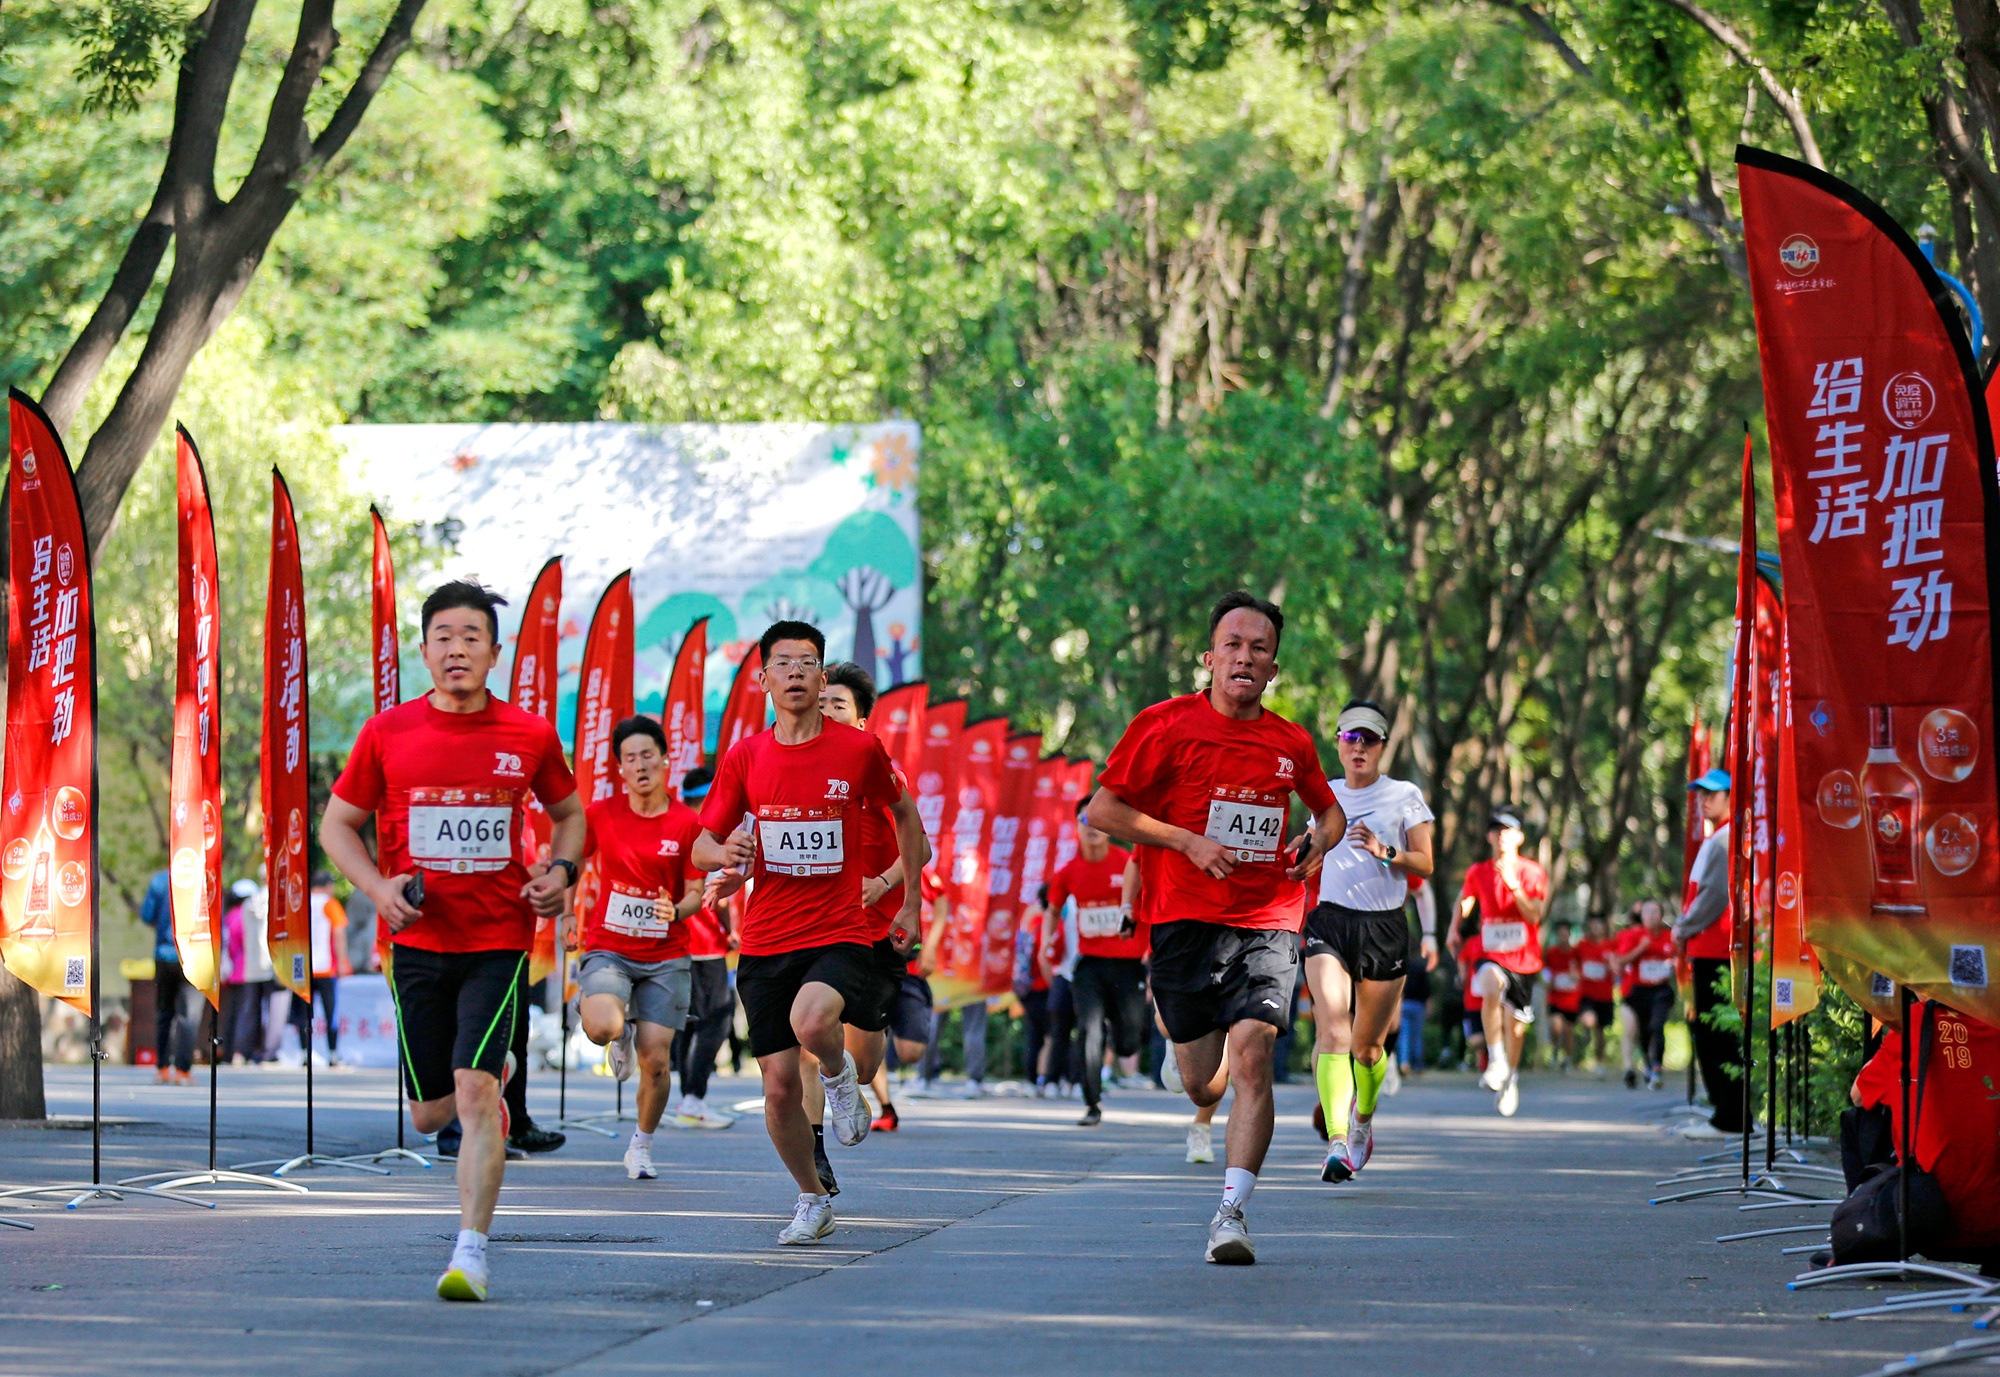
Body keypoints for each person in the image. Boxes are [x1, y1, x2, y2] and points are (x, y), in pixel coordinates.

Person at [320, 579, 583, 1303]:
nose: (457, 648)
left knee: (473, 1091)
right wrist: (376, 889)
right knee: (429, 1112)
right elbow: (336, 825)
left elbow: (569, 814)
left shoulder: (527, 735)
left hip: (500, 936)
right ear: (426, 648)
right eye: (444, 636)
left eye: (472, 636)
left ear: (494, 652)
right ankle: (485, 1087)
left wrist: (562, 870)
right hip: (418, 941)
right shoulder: (387, 733)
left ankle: (470, 1250)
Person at [1087, 590, 1344, 1265]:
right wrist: (1185, 841)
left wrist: (1317, 842)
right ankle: (1204, 1062)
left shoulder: (1290, 741)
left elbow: (1330, 811)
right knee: (1205, 1083)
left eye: (1259, 647)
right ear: (1210, 657)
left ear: (1273, 667)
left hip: (1269, 919)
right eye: (1233, 644)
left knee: (1255, 1055)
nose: (1245, 656)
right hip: (1183, 919)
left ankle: (1231, 1212)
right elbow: (1102, 810)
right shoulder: (1165, 725)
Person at [691, 622, 929, 1247]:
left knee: (815, 1020)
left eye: (807, 663)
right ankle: (811, 1196)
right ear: (762, 679)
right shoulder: (745, 757)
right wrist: (726, 852)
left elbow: (909, 820)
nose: (795, 672)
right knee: (774, 1089)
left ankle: (837, 1074)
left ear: (823, 678)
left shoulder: (858, 751)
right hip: (766, 937)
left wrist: (906, 902)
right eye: (782, 662)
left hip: (840, 929)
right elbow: (698, 846)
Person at [1303, 700, 1434, 1182]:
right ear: (1337, 741)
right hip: (1330, 923)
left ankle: (1362, 1121)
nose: (1359, 747)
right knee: (1333, 1030)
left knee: (1367, 1050)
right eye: (1350, 737)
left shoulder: (1403, 795)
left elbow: (1427, 863)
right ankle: (1337, 1142)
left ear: (1382, 746)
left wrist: (1388, 852)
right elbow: (1311, 852)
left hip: (1384, 926)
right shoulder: (1324, 795)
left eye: (1370, 739)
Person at [574, 715, 706, 1181]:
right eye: (629, 759)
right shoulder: (601, 814)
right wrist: (568, 915)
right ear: (620, 769)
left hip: (666, 955)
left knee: (655, 1061)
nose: (640, 765)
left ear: (665, 759)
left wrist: (679, 910)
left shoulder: (688, 822)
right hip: (609, 946)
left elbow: (695, 889)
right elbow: (572, 864)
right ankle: (618, 1029)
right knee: (602, 1028)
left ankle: (641, 1146)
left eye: (647, 754)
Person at [1449, 810, 1548, 1117]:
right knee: (1490, 982)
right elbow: (1466, 900)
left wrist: (1512, 884)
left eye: (1508, 829)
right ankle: (1496, 1058)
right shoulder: (1478, 872)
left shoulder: (1532, 872)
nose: (1501, 835)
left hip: (1524, 958)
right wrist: (1455, 927)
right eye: (1496, 830)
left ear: (1520, 837)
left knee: (1515, 1026)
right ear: (1489, 837)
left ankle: (1511, 1078)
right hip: (1490, 952)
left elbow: (1534, 915)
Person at [1050, 803, 1139, 1128]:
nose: (1092, 826)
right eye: (1085, 820)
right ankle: (1092, 1102)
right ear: (1076, 826)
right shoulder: (1068, 871)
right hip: (1089, 964)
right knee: (1088, 1029)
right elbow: (1052, 909)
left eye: (1098, 820)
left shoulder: (1128, 862)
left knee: (1129, 1040)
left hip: (1129, 963)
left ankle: (1122, 1041)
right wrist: (1048, 940)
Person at [1674, 768, 1745, 1138]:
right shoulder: (1716, 837)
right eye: (1700, 794)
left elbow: (1714, 897)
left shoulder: (1724, 839)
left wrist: (1681, 928)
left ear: (1731, 797)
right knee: (1711, 1032)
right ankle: (1726, 1111)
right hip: (1710, 948)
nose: (1704, 800)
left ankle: (1729, 1116)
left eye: (1712, 794)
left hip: (1716, 949)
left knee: (1716, 1035)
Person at [672, 766, 739, 1131]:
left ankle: (688, 1100)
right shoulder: (705, 835)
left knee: (692, 1022)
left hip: (682, 938)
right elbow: (719, 895)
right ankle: (693, 1099)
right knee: (718, 1017)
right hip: (703, 941)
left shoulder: (682, 827)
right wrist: (729, 931)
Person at [1611, 899, 1675, 1090]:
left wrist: (1673, 964)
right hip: (1637, 992)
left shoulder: (1669, 936)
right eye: (1647, 912)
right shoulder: (1631, 936)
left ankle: (1656, 1067)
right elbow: (1619, 963)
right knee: (1641, 1031)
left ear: (1661, 915)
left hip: (1661, 991)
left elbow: (1679, 958)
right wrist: (1641, 948)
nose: (1651, 916)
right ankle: (1643, 1063)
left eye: (1655, 912)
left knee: (1657, 1025)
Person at [291, 873, 351, 1065]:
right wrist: (342, 960)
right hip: (325, 968)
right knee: (330, 1012)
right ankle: (333, 1054)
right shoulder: (330, 904)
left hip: (302, 968)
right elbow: (339, 932)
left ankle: (303, 1054)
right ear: (327, 885)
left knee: (304, 1014)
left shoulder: (299, 903)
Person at [219, 879, 268, 1064]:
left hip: (231, 972)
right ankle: (241, 1052)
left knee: (232, 1014)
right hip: (244, 970)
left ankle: (229, 1051)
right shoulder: (244, 915)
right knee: (245, 1014)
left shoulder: (230, 915)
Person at [1573, 913, 1616, 1070]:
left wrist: (1612, 965)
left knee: (1601, 1032)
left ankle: (1600, 1060)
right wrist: (1574, 972)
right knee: (1589, 1020)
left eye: (1599, 925)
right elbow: (1573, 961)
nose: (1596, 927)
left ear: (1604, 928)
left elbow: (1616, 967)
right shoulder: (1582, 945)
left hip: (1605, 995)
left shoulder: (1610, 946)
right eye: (1593, 924)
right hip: (1587, 993)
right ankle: (1585, 1031)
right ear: (1589, 926)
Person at [1542, 919, 1581, 1070]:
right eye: (1561, 934)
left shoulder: (1576, 952)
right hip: (1555, 997)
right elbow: (1545, 971)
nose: (1563, 937)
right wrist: (1548, 982)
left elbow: (1582, 970)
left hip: (1572, 998)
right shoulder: (1551, 952)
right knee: (1556, 1026)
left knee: (1568, 1031)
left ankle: (1567, 1058)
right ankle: (1555, 1050)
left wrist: (1575, 975)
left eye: (1566, 934)